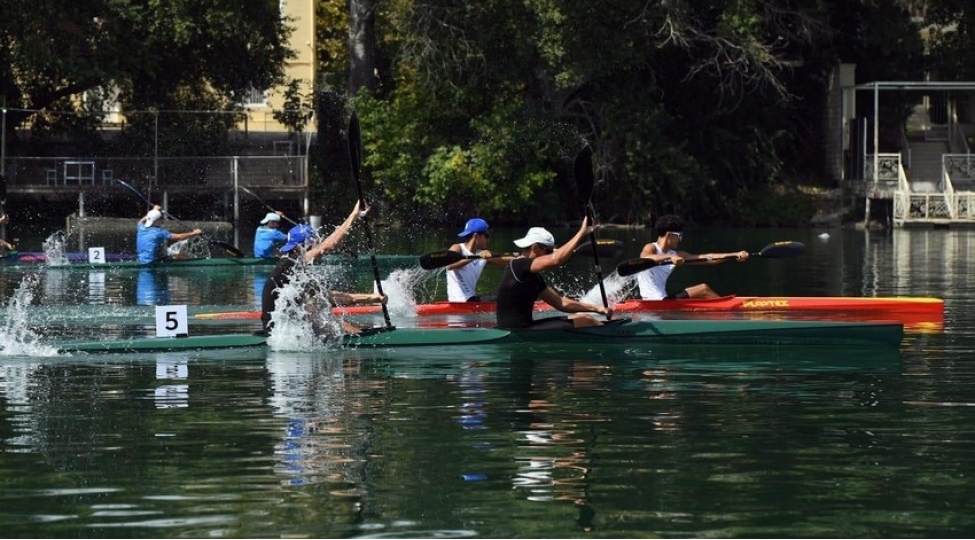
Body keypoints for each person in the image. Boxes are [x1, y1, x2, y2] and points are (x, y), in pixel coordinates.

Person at [261, 201, 386, 335]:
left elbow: (329, 296)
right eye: (315, 243)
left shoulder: (295, 271)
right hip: (279, 333)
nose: (318, 248)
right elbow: (330, 244)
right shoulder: (292, 263)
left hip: (284, 330)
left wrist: (372, 298)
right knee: (336, 324)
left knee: (333, 321)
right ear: (304, 245)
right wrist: (353, 215)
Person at [495, 217, 613, 330]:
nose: (550, 254)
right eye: (549, 251)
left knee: (582, 318)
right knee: (586, 320)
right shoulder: (519, 264)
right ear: (535, 248)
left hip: (525, 327)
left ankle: (607, 331)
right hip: (518, 331)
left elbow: (561, 303)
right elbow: (556, 260)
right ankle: (613, 337)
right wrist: (582, 233)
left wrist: (597, 309)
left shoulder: (532, 277)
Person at [635, 214, 749, 300]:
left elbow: (708, 258)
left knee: (703, 289)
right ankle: (731, 312)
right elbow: (645, 258)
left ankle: (721, 310)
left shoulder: (678, 255)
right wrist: (669, 257)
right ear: (669, 235)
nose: (680, 240)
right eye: (679, 236)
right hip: (653, 302)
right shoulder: (651, 247)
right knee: (703, 289)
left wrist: (734, 255)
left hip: (663, 299)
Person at [445, 217, 513, 302]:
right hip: (458, 301)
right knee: (504, 298)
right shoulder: (458, 248)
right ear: (476, 236)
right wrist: (476, 257)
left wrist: (525, 259)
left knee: (507, 294)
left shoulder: (483, 255)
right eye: (486, 236)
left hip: (471, 300)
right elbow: (449, 265)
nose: (488, 240)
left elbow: (505, 260)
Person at [136, 205, 203, 264]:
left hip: (141, 260)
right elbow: (179, 237)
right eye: (161, 219)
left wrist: (154, 210)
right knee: (182, 256)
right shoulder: (159, 232)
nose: (162, 220)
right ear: (157, 221)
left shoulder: (141, 227)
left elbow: (143, 219)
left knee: (167, 253)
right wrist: (194, 233)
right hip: (151, 263)